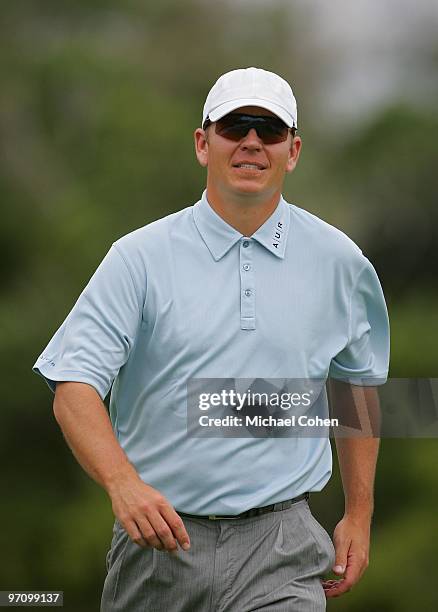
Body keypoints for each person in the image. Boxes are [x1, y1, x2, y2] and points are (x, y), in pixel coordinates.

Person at [33, 67, 390, 611]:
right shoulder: (137, 259)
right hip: (159, 545)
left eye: (269, 131)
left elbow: (356, 386)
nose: (251, 142)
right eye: (234, 127)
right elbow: (74, 385)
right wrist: (121, 482)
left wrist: (359, 514)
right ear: (204, 144)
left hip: (282, 544)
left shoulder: (341, 262)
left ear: (292, 151)